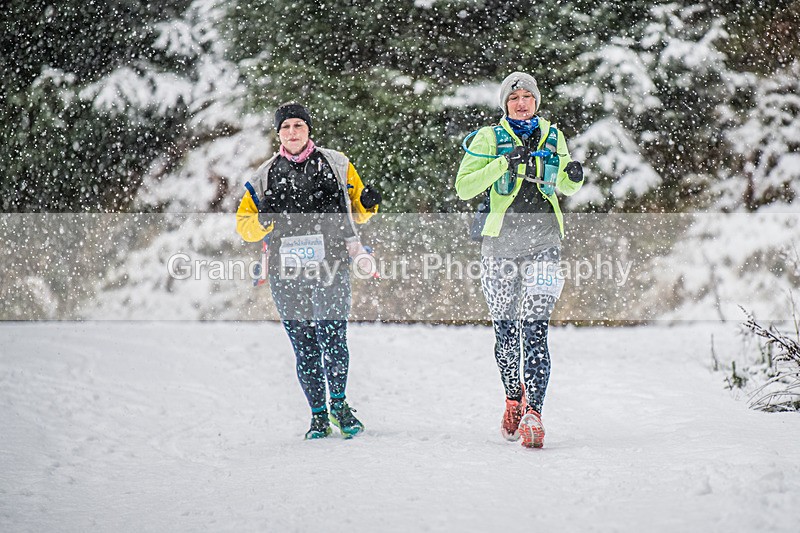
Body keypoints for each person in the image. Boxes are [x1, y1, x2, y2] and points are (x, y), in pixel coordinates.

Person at [236, 102, 381, 440]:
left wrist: (369, 204)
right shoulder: (264, 174)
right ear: (278, 134)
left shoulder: (337, 163)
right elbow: (243, 225)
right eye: (285, 127)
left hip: (331, 262)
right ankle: (317, 414)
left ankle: (340, 406)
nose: (292, 132)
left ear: (308, 129)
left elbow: (357, 210)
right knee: (304, 343)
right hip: (286, 271)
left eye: (298, 125)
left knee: (333, 337)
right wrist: (261, 222)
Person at [455, 72, 584, 448]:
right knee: (506, 329)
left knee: (535, 326)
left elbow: (565, 183)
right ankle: (514, 396)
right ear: (505, 104)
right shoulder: (487, 138)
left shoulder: (553, 136)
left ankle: (535, 413)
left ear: (537, 101)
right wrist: (503, 163)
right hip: (499, 246)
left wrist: (574, 175)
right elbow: (464, 187)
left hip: (544, 242)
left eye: (528, 96)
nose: (522, 102)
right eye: (514, 98)